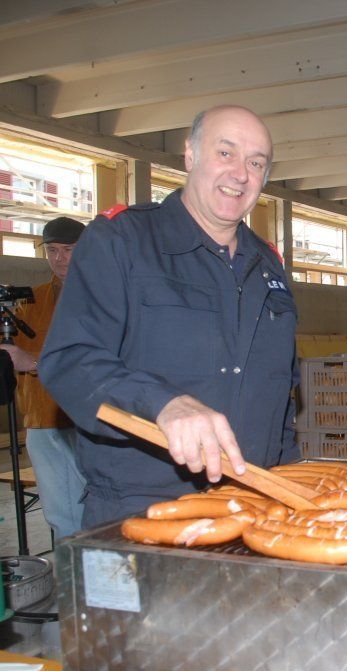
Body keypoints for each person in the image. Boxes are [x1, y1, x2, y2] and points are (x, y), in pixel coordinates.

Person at [39, 105, 300, 528]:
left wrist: (291, 482)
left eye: (256, 163)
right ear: (190, 156)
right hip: (143, 512)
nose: (240, 174)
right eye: (225, 153)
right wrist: (161, 403)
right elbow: (71, 360)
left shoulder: (268, 265)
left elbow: (281, 394)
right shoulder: (122, 241)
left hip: (256, 504)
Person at [1, 217, 88, 539]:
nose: (59, 259)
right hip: (43, 416)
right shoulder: (31, 301)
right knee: (62, 513)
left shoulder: (106, 294)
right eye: (52, 251)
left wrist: (35, 362)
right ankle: (72, 565)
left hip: (92, 416)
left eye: (68, 249)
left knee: (104, 506)